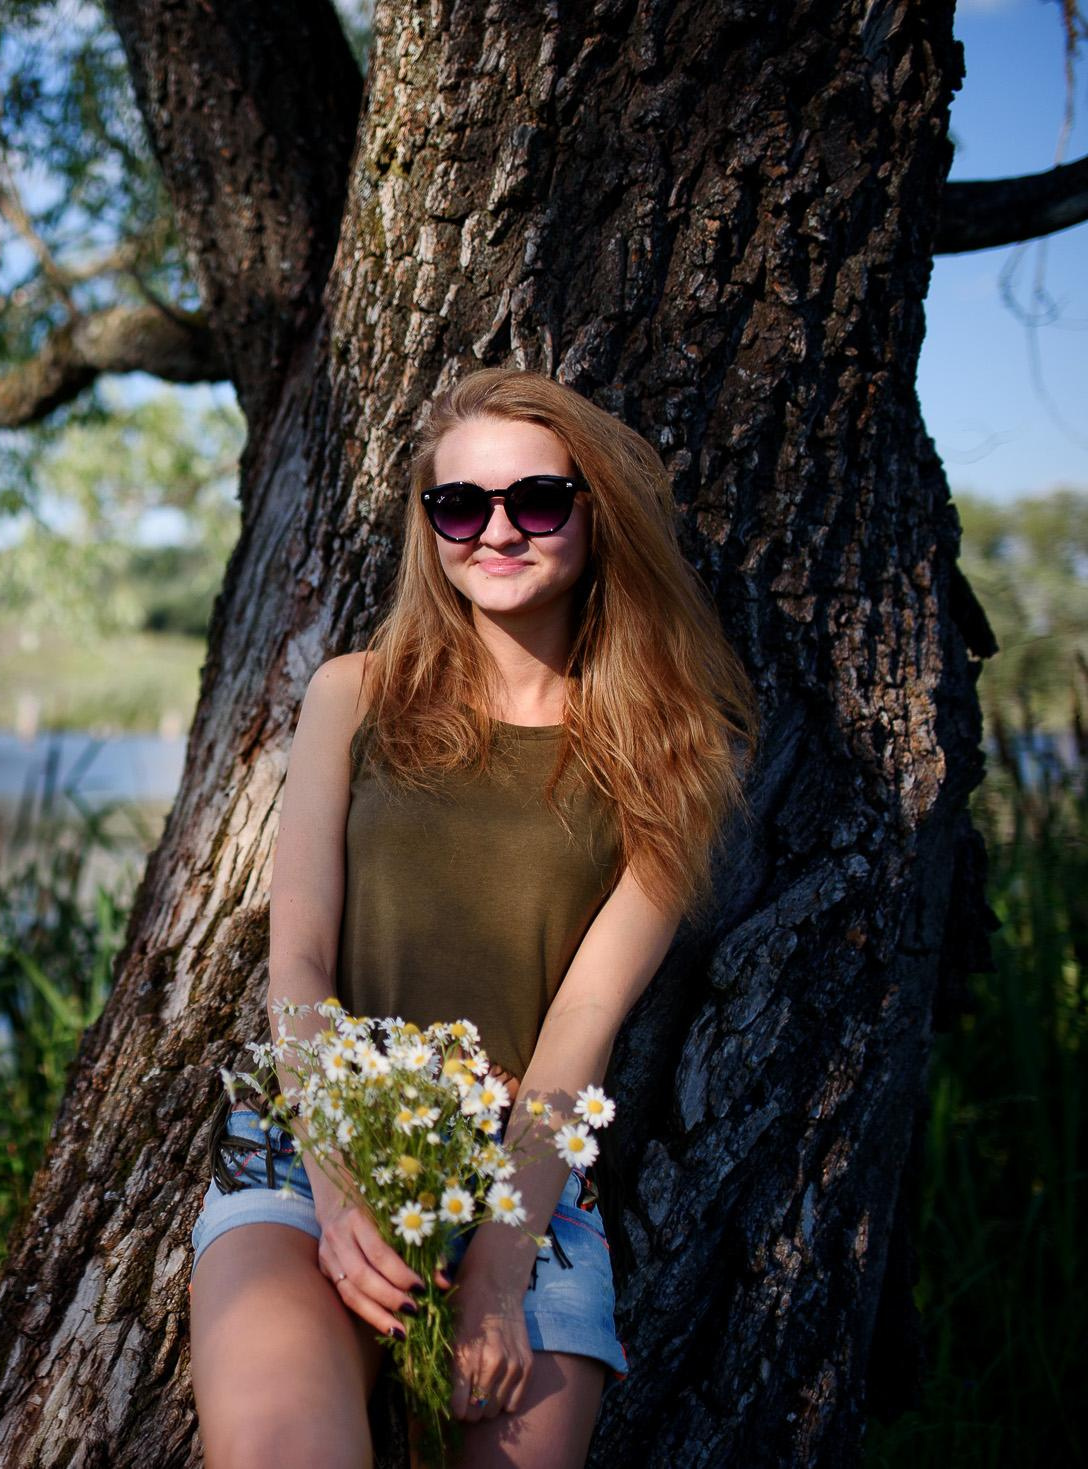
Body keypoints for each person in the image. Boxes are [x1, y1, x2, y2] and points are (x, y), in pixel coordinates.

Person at [188, 368, 755, 1468]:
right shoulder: (354, 693)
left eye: (534, 501)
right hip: (309, 1155)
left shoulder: (674, 754)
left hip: (519, 1183)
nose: (495, 530)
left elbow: (580, 1026)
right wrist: (339, 1184)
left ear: (596, 515)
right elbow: (296, 955)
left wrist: (497, 1265)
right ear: (429, 524)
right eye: (459, 505)